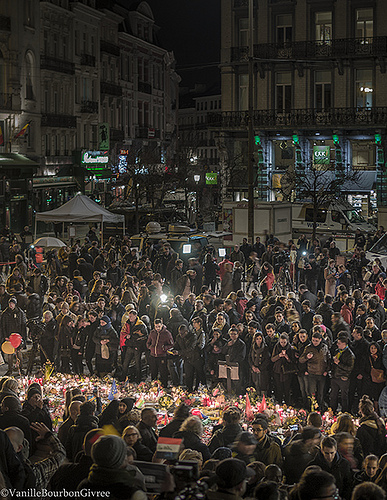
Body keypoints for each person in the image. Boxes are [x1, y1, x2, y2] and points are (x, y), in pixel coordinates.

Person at [309, 436, 353, 500]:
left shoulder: (344, 464)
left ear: (336, 450)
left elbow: (348, 484)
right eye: (326, 453)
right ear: (322, 451)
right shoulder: (314, 465)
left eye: (332, 453)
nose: (330, 456)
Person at [146, 318, 174, 387]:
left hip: (162, 356)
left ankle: (164, 385)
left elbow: (172, 344)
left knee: (163, 372)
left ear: (162, 325)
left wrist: (164, 348)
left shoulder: (167, 334)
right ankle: (154, 385)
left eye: (159, 326)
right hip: (153, 355)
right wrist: (150, 347)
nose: (157, 328)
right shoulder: (152, 333)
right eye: (156, 326)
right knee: (153, 371)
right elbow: (148, 342)